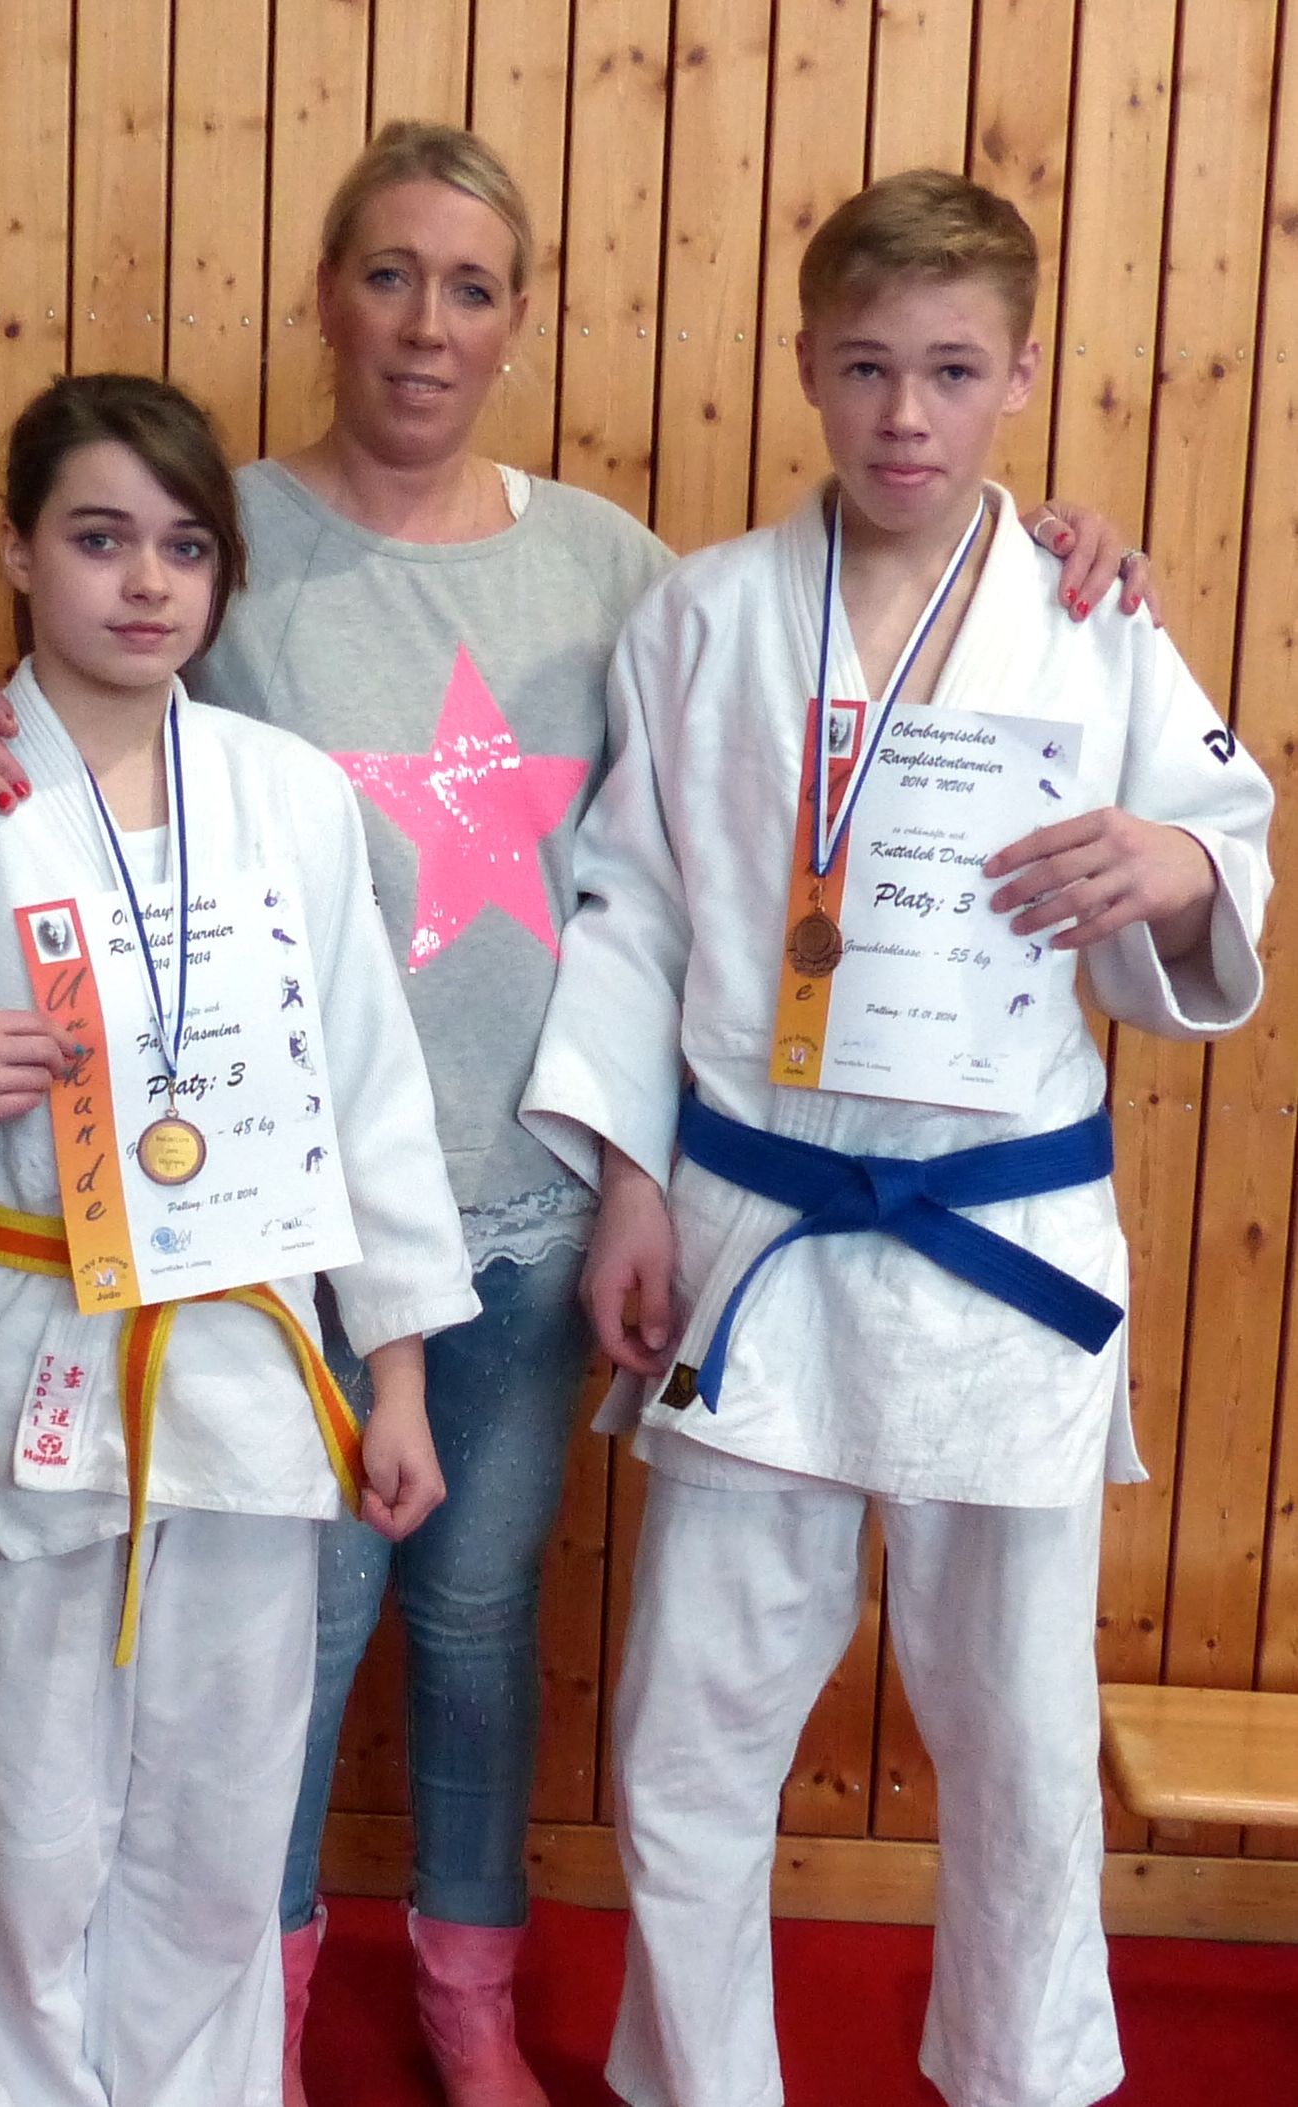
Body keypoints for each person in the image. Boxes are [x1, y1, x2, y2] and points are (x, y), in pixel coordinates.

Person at [0, 127, 1161, 2107]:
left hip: (535, 1192)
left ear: (518, 318)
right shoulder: (226, 540)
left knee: (479, 1618)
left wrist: (1076, 567)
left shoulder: (620, 570)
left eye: (470, 286)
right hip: (272, 1203)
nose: (425, 323)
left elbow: (660, 879)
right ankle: (248, 2009)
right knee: (288, 1632)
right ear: (326, 293)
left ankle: (467, 1992)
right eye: (388, 274)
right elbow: (95, 692)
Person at [518, 169, 1273, 2107]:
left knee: (1017, 1737)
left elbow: (1230, 843)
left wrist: (1174, 863)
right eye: (866, 367)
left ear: (1018, 375)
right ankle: (703, 2084)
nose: (906, 415)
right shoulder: (701, 619)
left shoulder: (1091, 622)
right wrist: (625, 1187)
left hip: (998, 1265)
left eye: (949, 369)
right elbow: (631, 913)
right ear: (805, 365)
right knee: (688, 1733)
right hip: (752, 1241)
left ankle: (1022, 2077)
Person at [0, 372, 478, 2107]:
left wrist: (399, 1380)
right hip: (31, 1370)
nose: (145, 583)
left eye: (185, 547)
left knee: (218, 1830)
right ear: (17, 552)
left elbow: (369, 1098)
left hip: (251, 1374)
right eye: (99, 538)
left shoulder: (290, 799)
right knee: (24, 1829)